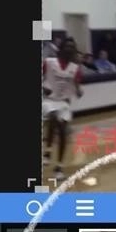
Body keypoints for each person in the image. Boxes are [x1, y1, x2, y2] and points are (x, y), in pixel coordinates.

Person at [42, 38, 83, 180]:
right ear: (61, 48)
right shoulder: (49, 62)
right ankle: (47, 152)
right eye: (67, 46)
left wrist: (79, 91)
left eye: (72, 47)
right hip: (48, 100)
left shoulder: (75, 69)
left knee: (63, 132)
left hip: (64, 103)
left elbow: (77, 89)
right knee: (54, 118)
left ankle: (59, 167)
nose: (69, 49)